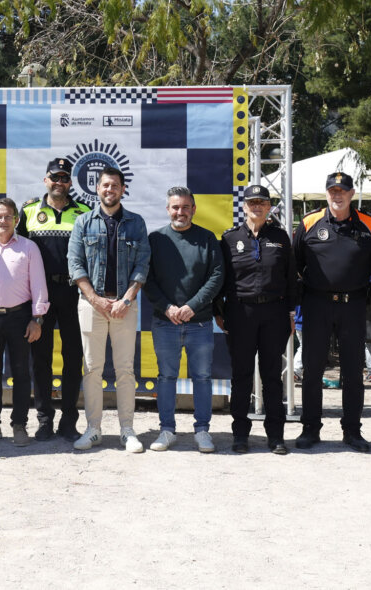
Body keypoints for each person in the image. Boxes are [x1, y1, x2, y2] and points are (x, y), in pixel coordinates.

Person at [292, 171, 371, 452]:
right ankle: (310, 428)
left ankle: (352, 430)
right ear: (326, 193)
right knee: (312, 370)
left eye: (342, 191)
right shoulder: (309, 222)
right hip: (316, 304)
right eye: (333, 191)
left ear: (352, 194)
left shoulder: (369, 224)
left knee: (353, 371)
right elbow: (295, 262)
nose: (337, 195)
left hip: (353, 305)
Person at [67, 166, 151, 453]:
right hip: (92, 305)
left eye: (115, 185)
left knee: (125, 370)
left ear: (123, 189)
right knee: (92, 369)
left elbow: (142, 264)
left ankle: (127, 430)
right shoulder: (83, 222)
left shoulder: (136, 223)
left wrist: (126, 299)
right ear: (97, 188)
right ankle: (93, 430)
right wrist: (95, 299)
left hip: (125, 306)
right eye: (105, 185)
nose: (110, 190)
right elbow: (75, 264)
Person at [142, 186, 224, 453]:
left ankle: (202, 430)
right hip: (165, 322)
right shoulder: (156, 239)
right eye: (176, 207)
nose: (181, 212)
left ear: (194, 209)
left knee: (202, 378)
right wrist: (167, 307)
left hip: (199, 323)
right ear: (168, 209)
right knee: (166, 377)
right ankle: (167, 430)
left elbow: (217, 277)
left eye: (186, 207)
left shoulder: (207, 238)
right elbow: (146, 279)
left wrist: (192, 306)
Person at [17, 157, 92, 441]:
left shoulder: (85, 211)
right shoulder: (29, 210)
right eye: (55, 177)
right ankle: (44, 420)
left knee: (73, 358)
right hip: (40, 294)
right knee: (40, 359)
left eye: (64, 178)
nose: (59, 182)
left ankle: (69, 421)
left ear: (70, 182)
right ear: (45, 180)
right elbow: (18, 254)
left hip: (74, 293)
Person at [217, 184, 294, 454]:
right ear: (244, 206)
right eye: (252, 202)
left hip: (274, 313)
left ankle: (276, 435)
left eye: (262, 202)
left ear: (269, 206)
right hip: (241, 314)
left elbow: (291, 278)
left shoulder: (281, 237)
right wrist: (219, 312)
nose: (257, 207)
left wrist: (291, 313)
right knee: (241, 376)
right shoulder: (229, 239)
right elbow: (220, 279)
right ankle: (240, 434)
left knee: (272, 376)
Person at [0, 197, 48, 446]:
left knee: (21, 373)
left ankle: (19, 425)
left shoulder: (29, 248)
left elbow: (39, 285)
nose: (3, 221)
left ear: (16, 220)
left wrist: (37, 318)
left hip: (20, 318)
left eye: (8, 216)